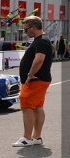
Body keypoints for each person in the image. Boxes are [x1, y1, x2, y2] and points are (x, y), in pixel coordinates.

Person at [12, 16, 53, 147]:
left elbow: (39, 59)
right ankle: (36, 137)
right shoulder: (41, 41)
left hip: (35, 80)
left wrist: (30, 75)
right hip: (41, 79)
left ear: (33, 27)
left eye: (25, 29)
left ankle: (27, 138)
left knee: (27, 107)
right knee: (37, 107)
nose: (25, 32)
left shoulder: (41, 41)